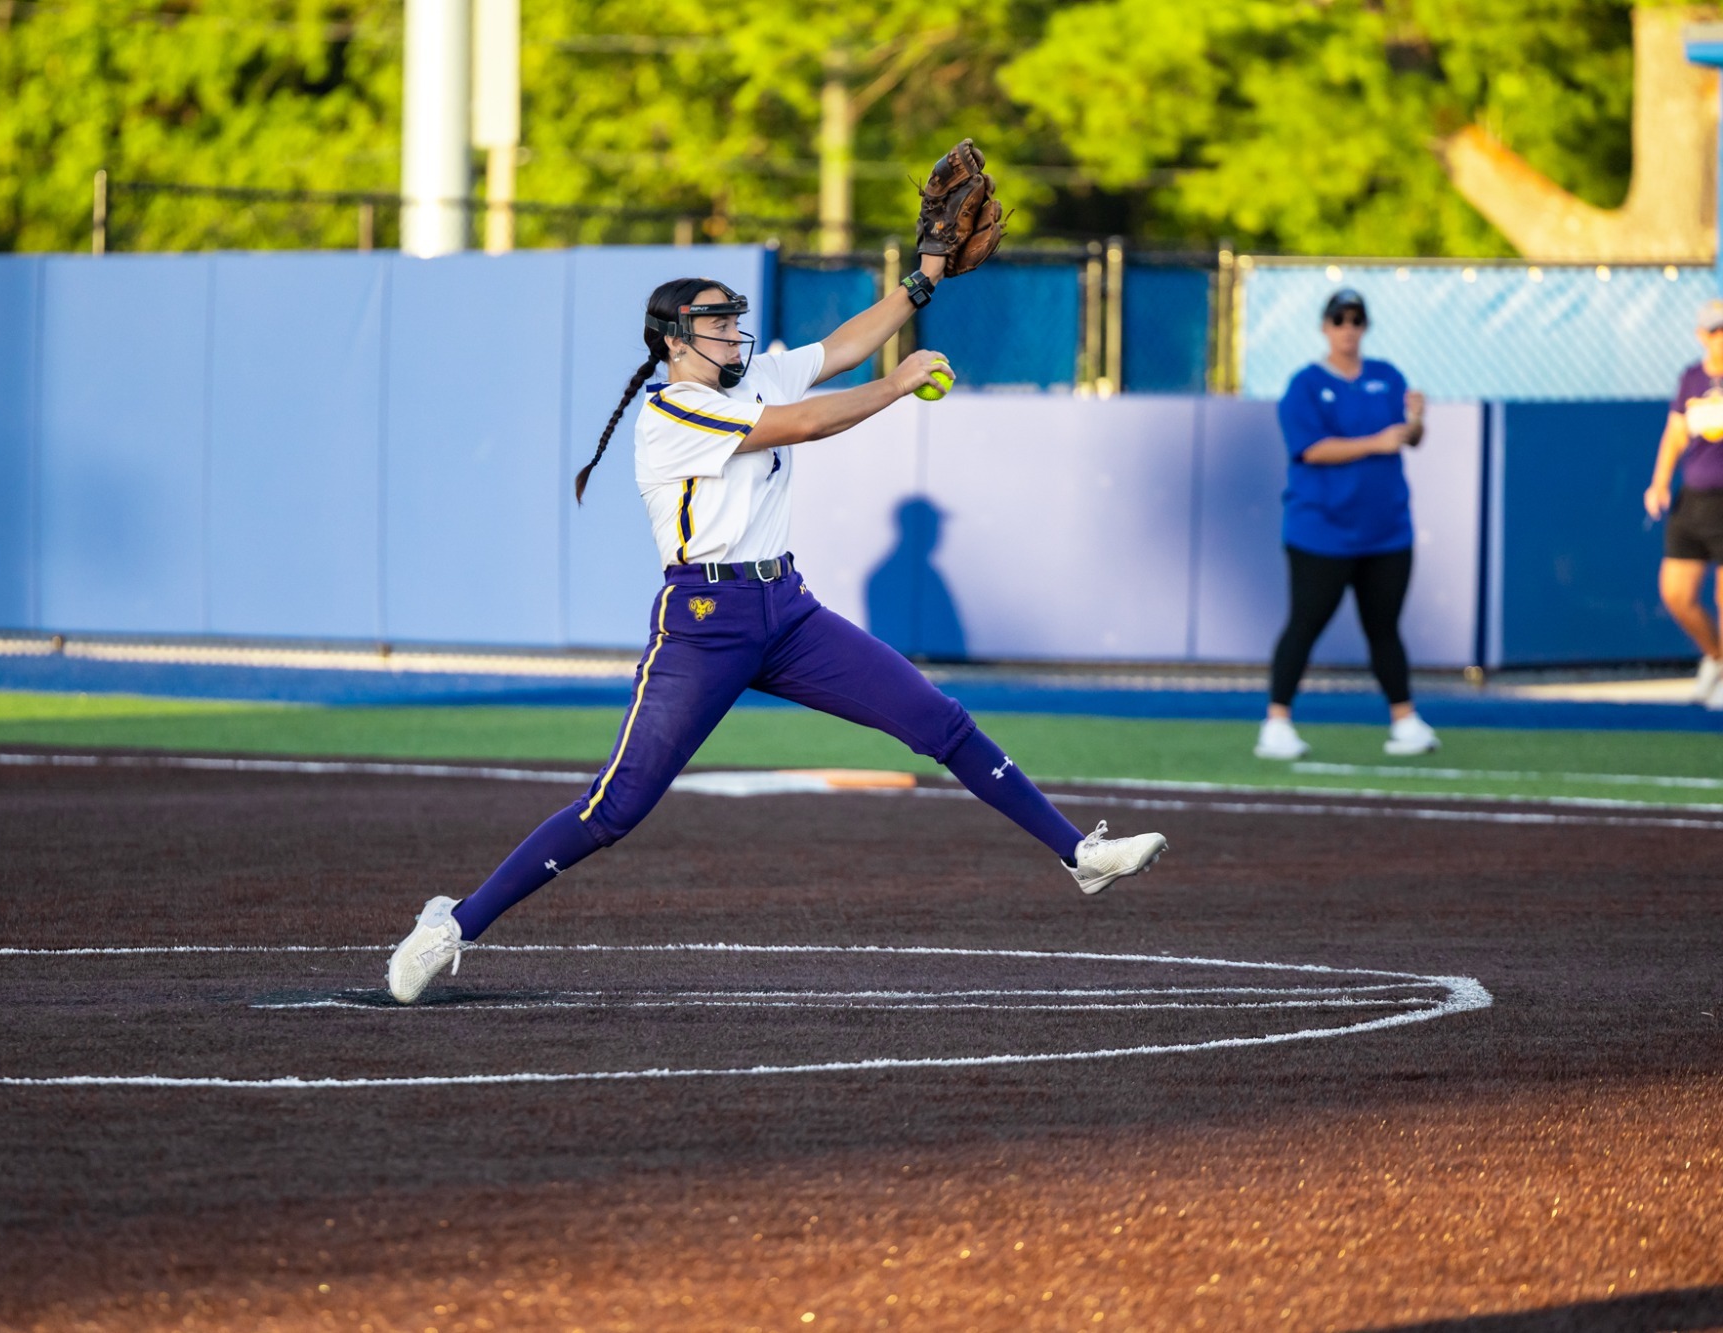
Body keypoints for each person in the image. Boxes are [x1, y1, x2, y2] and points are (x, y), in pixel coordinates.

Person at [384, 266, 1168, 1003]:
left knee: (939, 719)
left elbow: (849, 341)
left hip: (787, 610)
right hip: (702, 624)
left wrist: (924, 276)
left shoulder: (749, 376)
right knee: (615, 807)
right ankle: (452, 923)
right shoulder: (672, 413)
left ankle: (1080, 855)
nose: (733, 333)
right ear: (673, 339)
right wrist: (896, 385)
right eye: (715, 323)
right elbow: (808, 423)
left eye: (733, 320)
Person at [1255, 288, 1438, 761]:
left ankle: (1405, 720)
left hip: (1387, 529)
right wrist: (1376, 442)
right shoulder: (1306, 385)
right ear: (1324, 327)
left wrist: (1416, 420)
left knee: (1384, 626)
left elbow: (1409, 438)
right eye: (1339, 320)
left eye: (1356, 320)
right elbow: (1311, 448)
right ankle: (1276, 722)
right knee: (1306, 622)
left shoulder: (1386, 376)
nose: (1348, 329)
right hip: (1322, 530)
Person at [1643, 298, 1723, 708]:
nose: (1720, 339)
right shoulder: (1691, 378)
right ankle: (1716, 657)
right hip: (1694, 501)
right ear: (1701, 336)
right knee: (1676, 593)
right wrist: (1659, 483)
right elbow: (1675, 434)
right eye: (1714, 331)